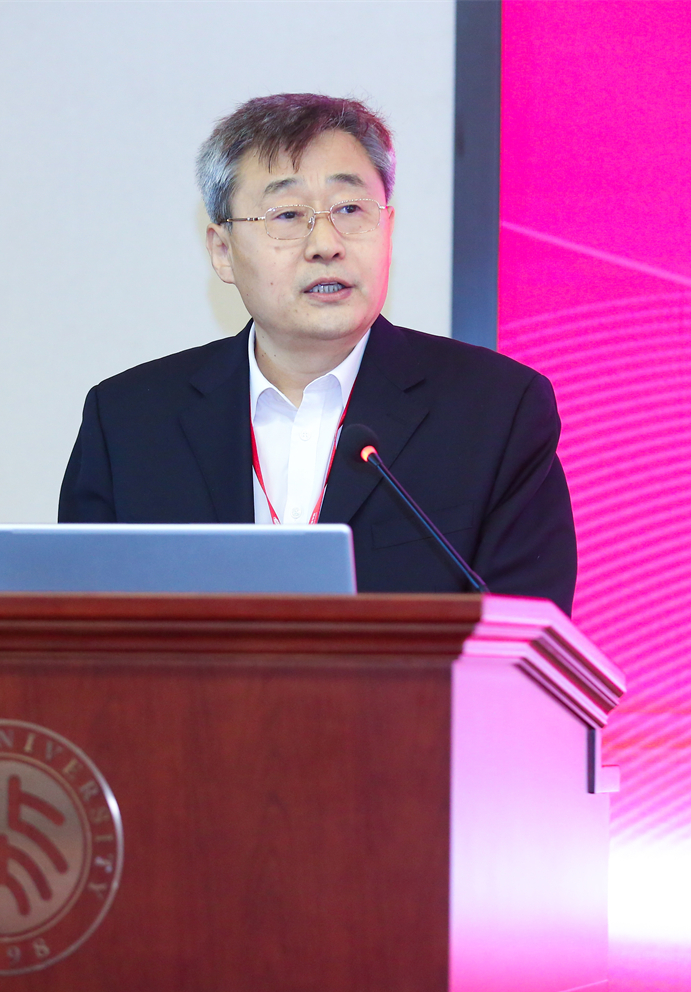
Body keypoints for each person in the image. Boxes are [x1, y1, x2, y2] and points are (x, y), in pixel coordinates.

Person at [58, 94, 577, 612]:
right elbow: (77, 633)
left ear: (388, 228)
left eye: (350, 209)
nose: (326, 243)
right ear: (223, 251)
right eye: (287, 214)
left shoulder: (496, 412)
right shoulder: (129, 422)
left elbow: (527, 640)